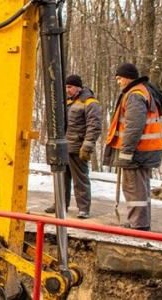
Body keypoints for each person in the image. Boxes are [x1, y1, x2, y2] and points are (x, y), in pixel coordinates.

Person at [103, 63, 162, 231]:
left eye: (119, 78)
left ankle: (138, 225)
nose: (118, 82)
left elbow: (133, 126)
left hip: (137, 151)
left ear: (127, 78)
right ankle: (140, 222)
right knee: (140, 188)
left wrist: (126, 151)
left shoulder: (135, 95)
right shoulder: (143, 91)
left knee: (133, 188)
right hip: (146, 150)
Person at [59, 75, 101, 218]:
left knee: (80, 180)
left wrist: (87, 146)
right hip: (65, 146)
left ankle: (83, 208)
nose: (67, 90)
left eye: (70, 87)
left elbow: (94, 126)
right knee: (62, 178)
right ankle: (61, 204)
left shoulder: (90, 102)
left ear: (78, 87)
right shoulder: (69, 102)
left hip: (78, 147)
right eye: (66, 87)